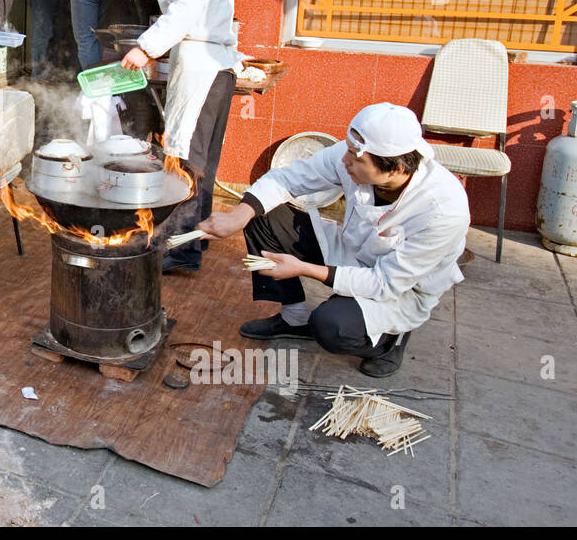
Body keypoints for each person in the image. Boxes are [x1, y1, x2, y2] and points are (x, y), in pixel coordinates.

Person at [200, 103, 471, 378]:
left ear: (396, 168)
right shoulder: (352, 156)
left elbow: (386, 282)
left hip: (401, 287)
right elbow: (288, 178)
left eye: (356, 157)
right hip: (355, 249)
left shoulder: (443, 211)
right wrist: (239, 215)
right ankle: (293, 319)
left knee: (331, 326)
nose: (345, 160)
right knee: (259, 213)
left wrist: (304, 268)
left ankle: (389, 341)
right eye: (348, 151)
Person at [121, 0, 239, 274]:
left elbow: (183, 14)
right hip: (221, 64)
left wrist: (145, 48)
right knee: (205, 159)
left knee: (184, 157)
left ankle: (181, 248)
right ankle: (195, 238)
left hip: (200, 66)